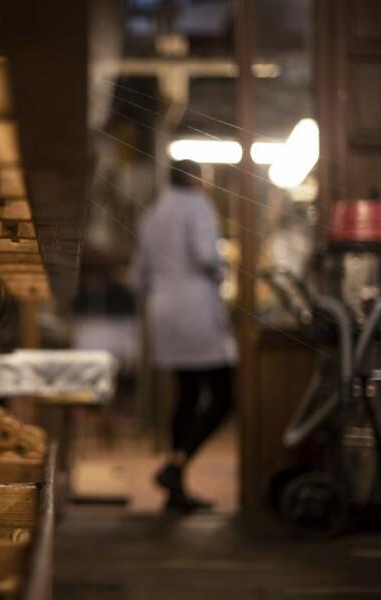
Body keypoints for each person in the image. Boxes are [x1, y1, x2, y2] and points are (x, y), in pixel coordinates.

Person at [130, 160, 237, 511]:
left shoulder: (153, 212)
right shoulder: (198, 205)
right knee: (225, 395)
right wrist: (226, 270)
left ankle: (175, 486)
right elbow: (208, 256)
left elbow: (138, 277)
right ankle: (176, 466)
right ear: (195, 178)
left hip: (164, 312)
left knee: (186, 395)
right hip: (195, 310)